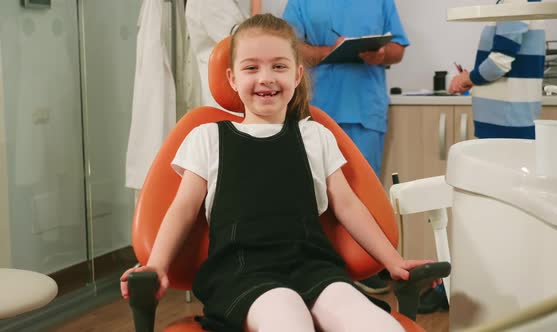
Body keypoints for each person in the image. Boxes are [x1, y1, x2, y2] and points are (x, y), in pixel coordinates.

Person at [120, 14, 437, 332]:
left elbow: (348, 205)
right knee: (288, 319)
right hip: (241, 274)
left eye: (279, 66)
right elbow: (183, 209)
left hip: (314, 269)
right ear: (232, 78)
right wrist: (156, 266)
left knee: (379, 325)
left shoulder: (316, 136)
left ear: (298, 75)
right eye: (251, 67)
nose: (266, 77)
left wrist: (394, 262)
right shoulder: (207, 138)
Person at [283, 0, 409, 294]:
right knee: (309, 194)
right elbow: (288, 47)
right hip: (316, 108)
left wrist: (380, 54)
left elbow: (398, 49)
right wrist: (332, 52)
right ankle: (316, 269)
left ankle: (366, 266)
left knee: (363, 193)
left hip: (365, 108)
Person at [448, 0, 546, 139]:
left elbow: (499, 63)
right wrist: (473, 79)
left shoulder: (514, 1)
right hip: (506, 122)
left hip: (505, 125)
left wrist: (467, 78)